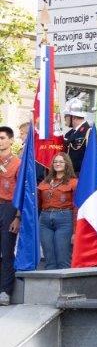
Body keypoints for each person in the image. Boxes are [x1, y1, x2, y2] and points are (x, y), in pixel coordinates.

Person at [36, 152, 76, 270]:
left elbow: (77, 208)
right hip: (44, 219)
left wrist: (75, 230)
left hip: (64, 218)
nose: (57, 164)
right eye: (55, 162)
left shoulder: (73, 182)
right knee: (49, 258)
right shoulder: (45, 182)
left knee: (63, 258)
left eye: (61, 162)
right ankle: (50, 282)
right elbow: (37, 203)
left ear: (67, 164)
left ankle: (66, 283)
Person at [0, 126, 20, 305]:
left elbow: (22, 193)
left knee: (6, 251)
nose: (0, 142)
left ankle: (5, 291)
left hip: (8, 208)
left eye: (2, 138)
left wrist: (18, 217)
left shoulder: (17, 163)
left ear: (11, 140)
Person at [62, 98, 90, 173]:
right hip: (70, 174)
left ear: (73, 117)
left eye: (66, 116)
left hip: (82, 174)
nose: (64, 119)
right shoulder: (69, 134)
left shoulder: (88, 131)